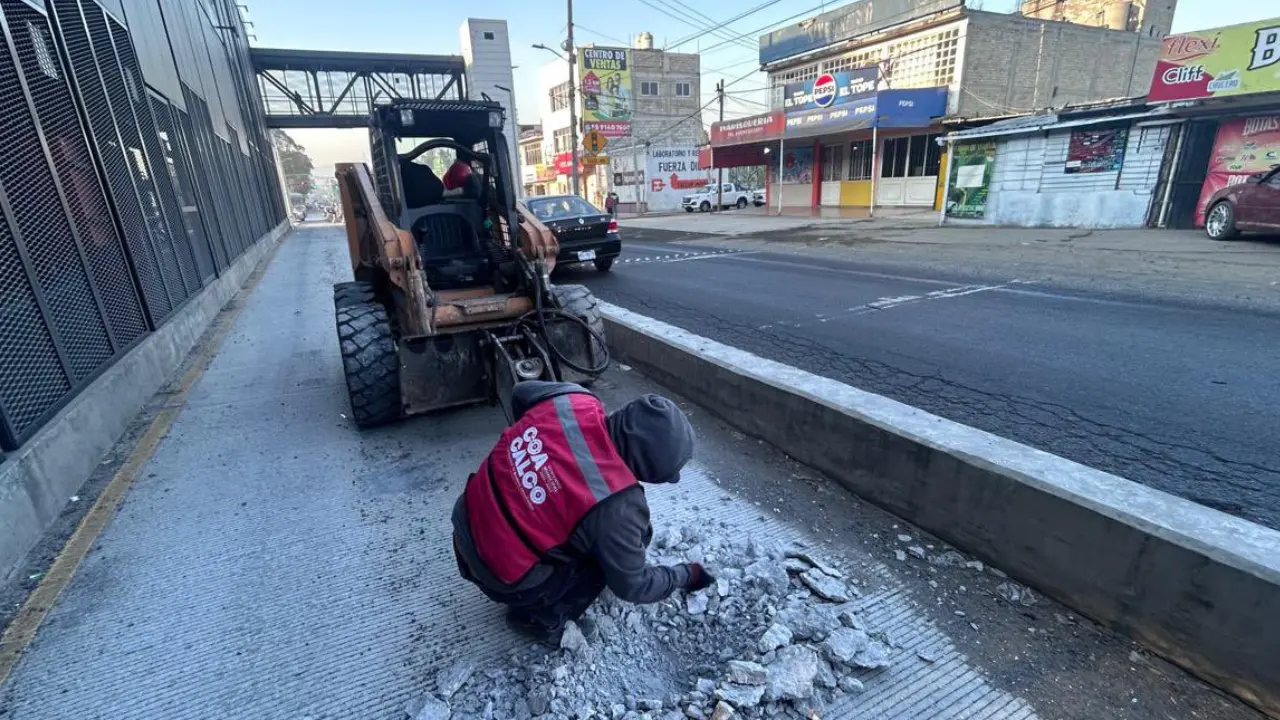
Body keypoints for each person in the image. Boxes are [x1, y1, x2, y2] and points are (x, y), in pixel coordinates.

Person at [452, 380, 714, 640]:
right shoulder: (618, 505)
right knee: (611, 552)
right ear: (651, 470)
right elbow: (634, 586)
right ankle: (540, 621)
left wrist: (537, 453)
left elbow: (521, 392)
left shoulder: (575, 400)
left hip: (464, 521)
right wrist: (686, 575)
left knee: (596, 531)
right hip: (494, 574)